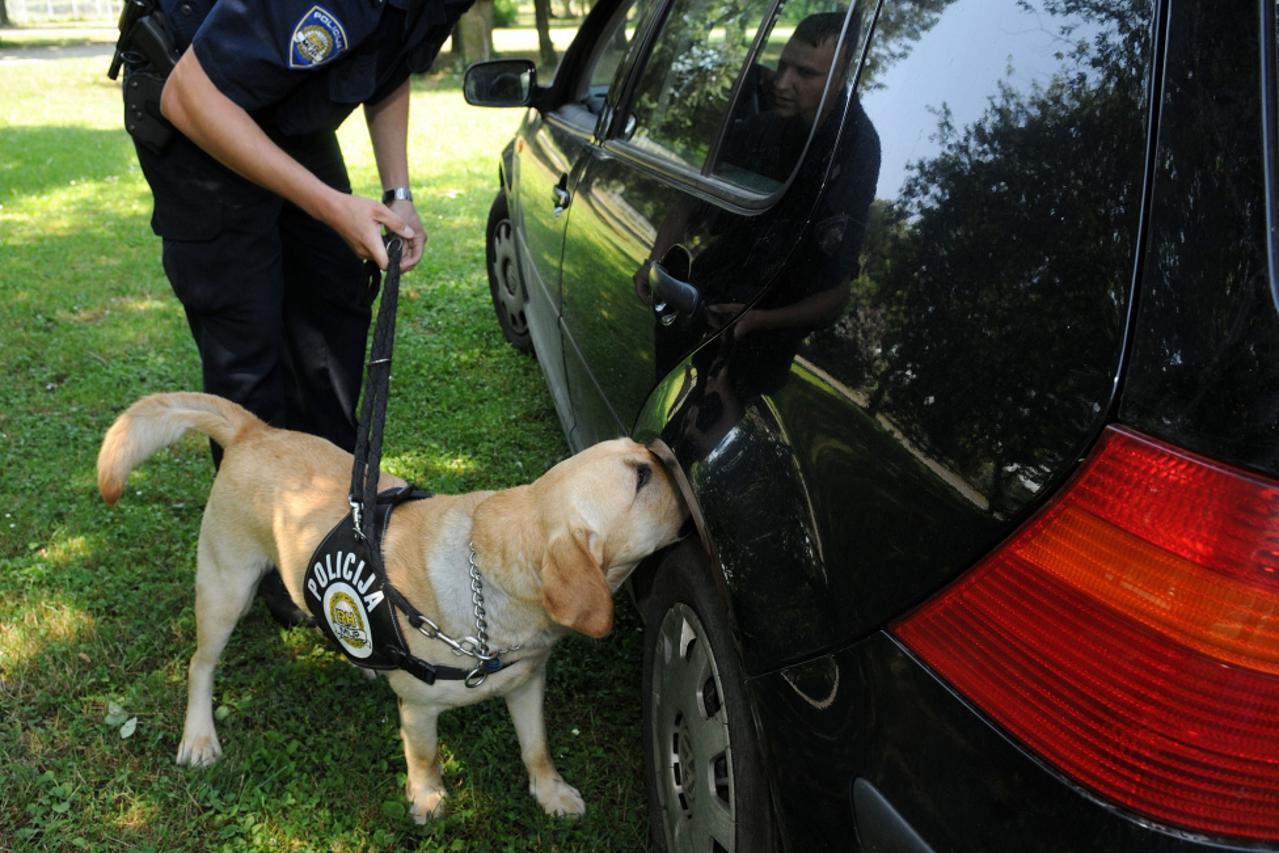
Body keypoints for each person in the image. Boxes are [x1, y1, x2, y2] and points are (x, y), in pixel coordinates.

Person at [116, 0, 474, 625]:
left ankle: (329, 526)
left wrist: (399, 193)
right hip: (195, 104)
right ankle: (275, 555)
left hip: (280, 104)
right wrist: (333, 207)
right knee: (246, 338)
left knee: (334, 299)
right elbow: (190, 96)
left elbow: (387, 61)